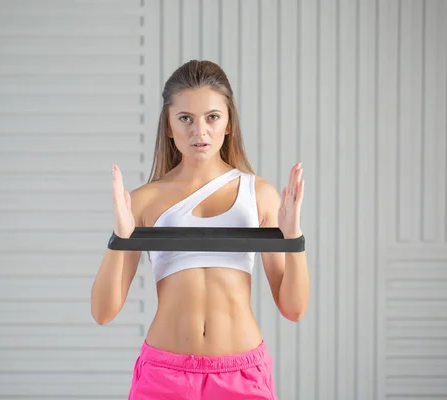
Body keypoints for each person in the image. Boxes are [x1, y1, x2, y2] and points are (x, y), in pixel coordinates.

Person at [90, 60, 310, 400]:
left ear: (228, 124)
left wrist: (293, 236)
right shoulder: (144, 201)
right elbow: (103, 312)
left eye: (212, 117)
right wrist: (119, 239)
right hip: (164, 376)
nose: (200, 131)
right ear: (168, 125)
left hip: (241, 375)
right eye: (185, 119)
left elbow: (293, 309)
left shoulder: (260, 195)